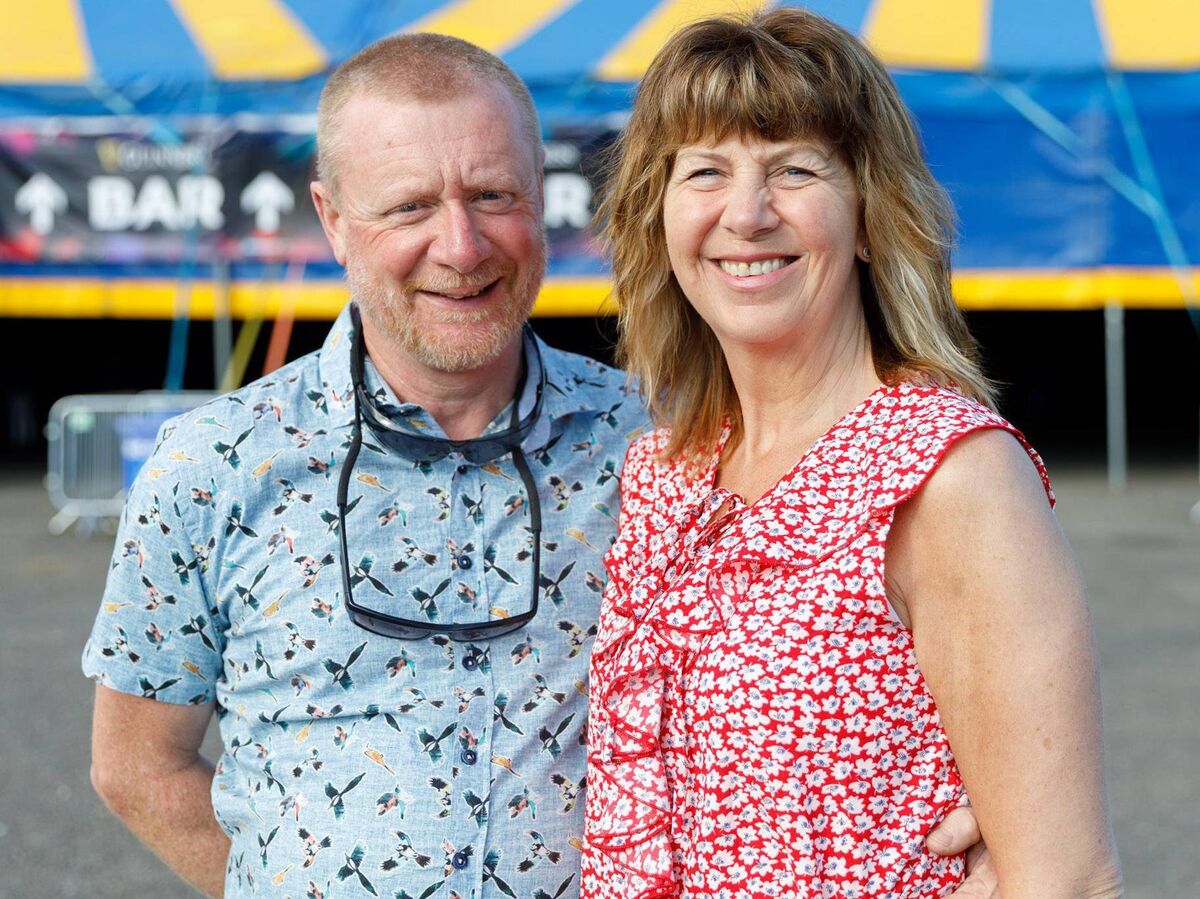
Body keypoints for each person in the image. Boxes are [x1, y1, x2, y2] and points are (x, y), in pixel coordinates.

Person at [84, 30, 991, 899]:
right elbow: (136, 766)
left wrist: (995, 829)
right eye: (409, 206)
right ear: (332, 219)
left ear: (541, 196)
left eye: (493, 196)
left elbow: (837, 667)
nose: (462, 246)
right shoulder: (212, 465)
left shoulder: (668, 446)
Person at [582, 9, 1121, 899]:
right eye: (705, 171)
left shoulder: (948, 474)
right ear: (660, 218)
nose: (746, 215)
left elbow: (1066, 878)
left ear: (870, 215)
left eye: (794, 170)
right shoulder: (666, 477)